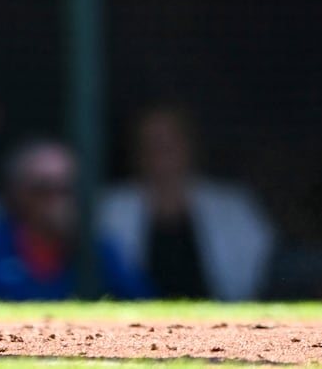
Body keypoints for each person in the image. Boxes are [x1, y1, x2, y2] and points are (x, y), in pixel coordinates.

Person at [0, 139, 150, 301]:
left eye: (67, 189)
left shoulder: (98, 249)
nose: (57, 201)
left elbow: (144, 305)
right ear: (16, 193)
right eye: (43, 189)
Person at [98, 104, 276, 301]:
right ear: (136, 151)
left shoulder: (233, 206)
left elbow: (263, 269)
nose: (160, 152)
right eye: (151, 143)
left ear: (190, 145)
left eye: (169, 142)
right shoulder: (109, 208)